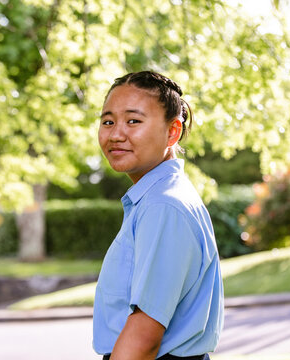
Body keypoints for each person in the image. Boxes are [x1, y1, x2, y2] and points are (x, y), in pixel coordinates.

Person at [93, 71, 224, 360]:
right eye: (108, 121)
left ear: (172, 131)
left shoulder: (163, 206)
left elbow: (144, 334)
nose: (116, 134)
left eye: (133, 121)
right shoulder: (157, 199)